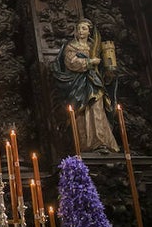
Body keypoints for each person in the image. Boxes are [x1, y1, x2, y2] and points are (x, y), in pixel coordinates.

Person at [49, 19, 120, 153]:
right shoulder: (71, 46)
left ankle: (101, 141)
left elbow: (103, 65)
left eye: (84, 29)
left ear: (89, 32)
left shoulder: (94, 47)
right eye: (79, 28)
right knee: (81, 112)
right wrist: (90, 61)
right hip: (78, 84)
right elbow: (71, 62)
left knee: (97, 109)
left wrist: (108, 70)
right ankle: (85, 144)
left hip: (94, 82)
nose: (81, 31)